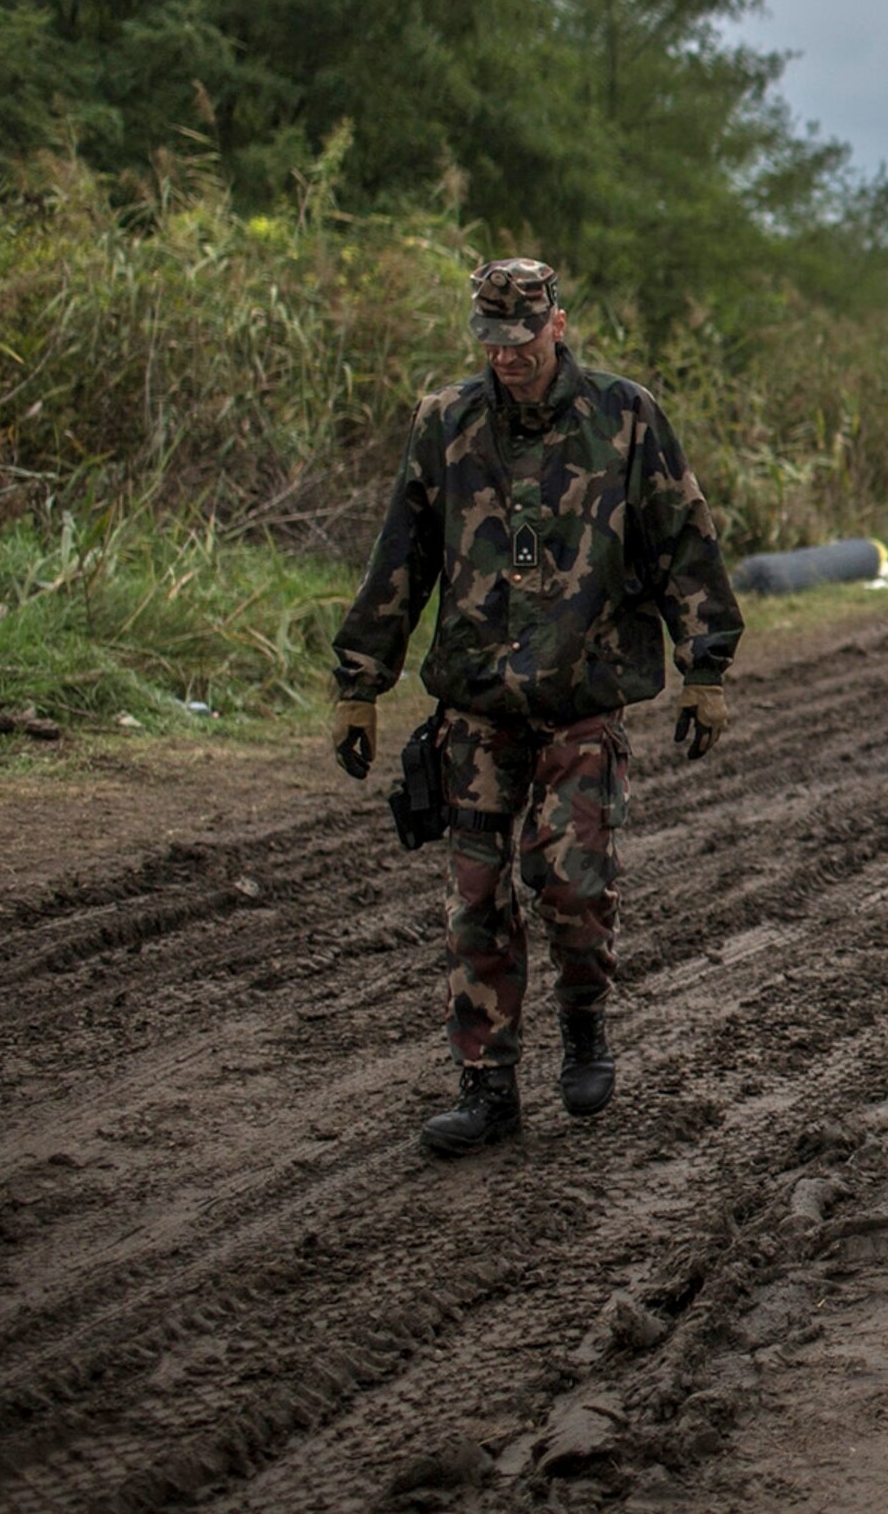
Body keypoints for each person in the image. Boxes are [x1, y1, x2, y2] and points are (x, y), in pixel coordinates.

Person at [330, 259, 742, 1159]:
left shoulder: (625, 417)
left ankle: (585, 1016)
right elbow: (400, 557)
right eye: (490, 341)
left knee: (569, 881)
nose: (505, 357)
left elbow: (684, 538)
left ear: (558, 325)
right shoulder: (445, 425)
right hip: (476, 701)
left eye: (520, 340)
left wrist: (705, 666)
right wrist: (361, 684)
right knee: (474, 900)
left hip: (581, 694)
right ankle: (486, 1089)